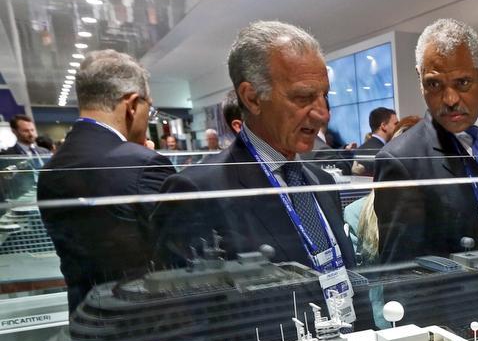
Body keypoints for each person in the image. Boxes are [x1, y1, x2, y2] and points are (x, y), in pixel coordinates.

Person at [153, 21, 356, 297]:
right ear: (252, 98)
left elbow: (351, 280)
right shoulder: (196, 193)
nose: (323, 114)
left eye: (324, 96)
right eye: (303, 97)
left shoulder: (321, 182)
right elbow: (185, 318)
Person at [371, 18, 478, 261]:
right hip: (457, 295)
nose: (449, 99)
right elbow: (400, 272)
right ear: (420, 80)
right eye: (434, 84)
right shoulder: (402, 161)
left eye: (463, 83)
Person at [37, 49, 175, 315]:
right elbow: (184, 250)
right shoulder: (143, 164)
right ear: (133, 105)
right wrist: (145, 155)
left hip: (86, 319)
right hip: (151, 325)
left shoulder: (50, 169)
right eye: (151, 108)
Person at [351, 106, 397, 176]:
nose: (398, 127)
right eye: (396, 124)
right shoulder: (384, 153)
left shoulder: (359, 150)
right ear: (384, 126)